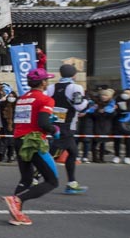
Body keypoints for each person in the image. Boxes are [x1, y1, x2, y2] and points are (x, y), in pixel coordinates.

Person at [3, 68, 59, 226]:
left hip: (19, 139)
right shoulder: (45, 99)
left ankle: (16, 213)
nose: (47, 82)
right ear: (42, 82)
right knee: (52, 181)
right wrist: (54, 129)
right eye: (47, 80)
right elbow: (43, 123)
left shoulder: (23, 98)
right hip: (33, 141)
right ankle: (17, 199)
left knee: (26, 179)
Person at [46, 63, 90, 194]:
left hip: (55, 123)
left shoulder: (51, 87)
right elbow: (79, 106)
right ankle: (35, 177)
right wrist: (87, 101)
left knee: (73, 153)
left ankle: (72, 183)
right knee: (53, 154)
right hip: (67, 125)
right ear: (74, 74)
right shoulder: (75, 87)